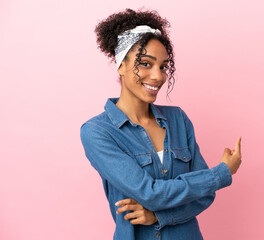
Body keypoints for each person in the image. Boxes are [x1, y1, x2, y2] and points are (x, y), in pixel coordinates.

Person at [80, 8, 242, 240]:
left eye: (163, 66)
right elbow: (150, 193)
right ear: (121, 65)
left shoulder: (178, 119)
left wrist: (159, 216)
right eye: (145, 64)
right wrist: (221, 173)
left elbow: (205, 195)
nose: (158, 76)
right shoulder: (97, 132)